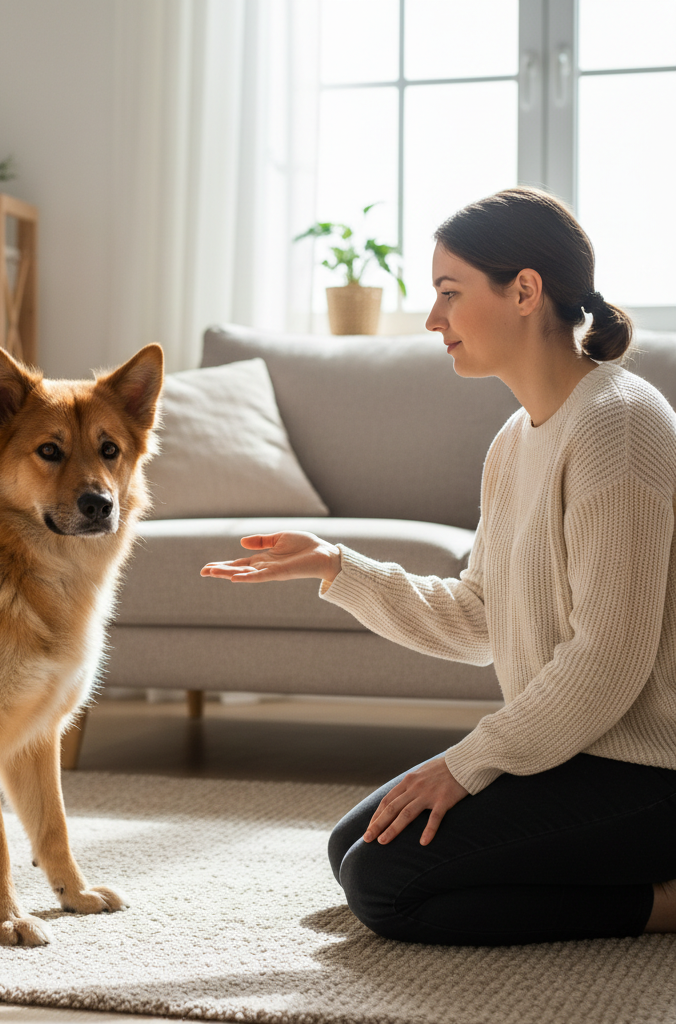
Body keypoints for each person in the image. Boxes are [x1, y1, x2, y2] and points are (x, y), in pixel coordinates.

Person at [200, 187, 676, 946]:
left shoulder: (619, 423)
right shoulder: (515, 441)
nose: (432, 319)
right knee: (350, 849)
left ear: (524, 290)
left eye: (449, 293)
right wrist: (335, 567)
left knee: (386, 887)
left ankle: (661, 903)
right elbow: (477, 619)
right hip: (576, 753)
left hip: (652, 774)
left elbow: (607, 661)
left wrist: (468, 763)